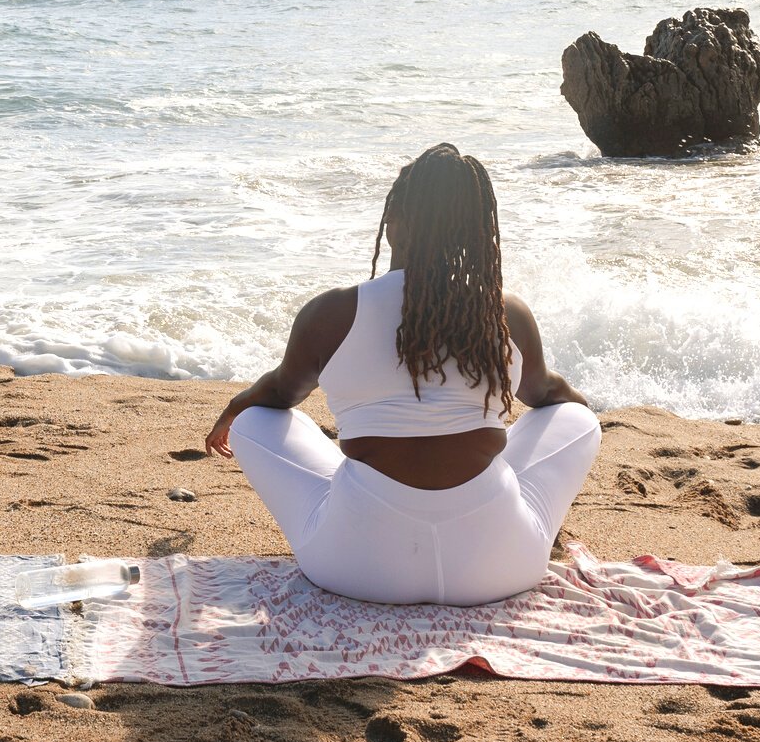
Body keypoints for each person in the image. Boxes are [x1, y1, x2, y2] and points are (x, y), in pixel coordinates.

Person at [205, 143, 600, 606]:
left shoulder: (332, 313)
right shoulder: (504, 313)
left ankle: (359, 496)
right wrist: (581, 405)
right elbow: (546, 392)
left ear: (394, 224)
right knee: (576, 419)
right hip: (500, 568)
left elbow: (279, 392)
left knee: (255, 420)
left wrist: (235, 406)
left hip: (357, 569)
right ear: (477, 233)